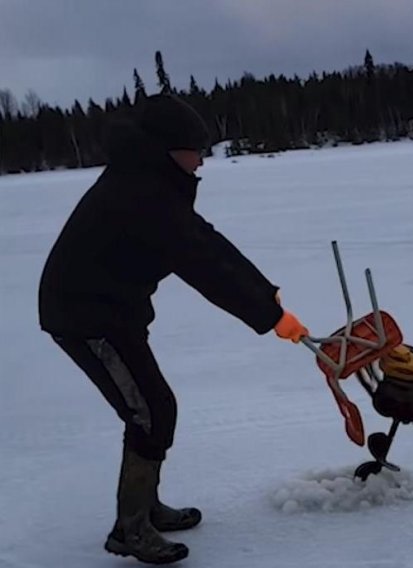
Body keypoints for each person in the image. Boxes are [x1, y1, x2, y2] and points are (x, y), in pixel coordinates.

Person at [38, 94, 309, 563]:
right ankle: (131, 528)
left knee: (152, 407)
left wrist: (267, 295)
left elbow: (205, 240)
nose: (202, 157)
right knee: (151, 411)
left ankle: (144, 509)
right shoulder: (143, 195)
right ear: (166, 148)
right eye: (195, 147)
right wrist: (271, 317)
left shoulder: (151, 182)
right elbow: (202, 264)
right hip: (85, 317)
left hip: (111, 310)